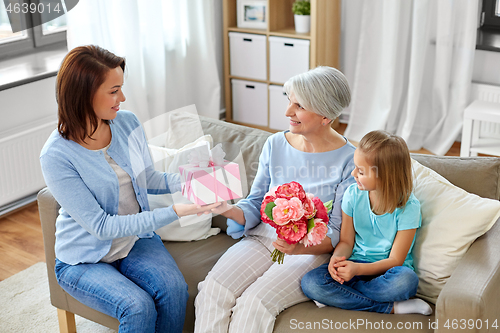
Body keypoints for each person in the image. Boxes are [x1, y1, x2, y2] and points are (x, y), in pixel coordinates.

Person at [40, 45, 220, 333]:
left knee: (175, 290)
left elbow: (148, 179)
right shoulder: (56, 155)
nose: (122, 98)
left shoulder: (127, 123)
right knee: (137, 306)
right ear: (84, 94)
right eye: (114, 91)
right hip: (84, 259)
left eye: (121, 88)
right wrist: (175, 211)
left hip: (135, 240)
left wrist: (191, 181)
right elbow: (100, 226)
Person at [194, 66, 356, 333]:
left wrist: (298, 249)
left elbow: (338, 232)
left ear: (325, 114)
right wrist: (229, 210)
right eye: (288, 100)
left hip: (308, 252)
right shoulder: (275, 144)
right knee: (212, 291)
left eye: (299, 105)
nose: (287, 112)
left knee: (253, 304)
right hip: (262, 239)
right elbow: (257, 201)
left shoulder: (350, 160)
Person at [301, 130, 433, 315]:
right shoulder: (353, 194)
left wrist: (358, 270)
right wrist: (335, 261)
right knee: (311, 282)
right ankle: (391, 307)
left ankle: (342, 298)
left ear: (385, 176)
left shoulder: (409, 207)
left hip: (389, 271)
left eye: (361, 171)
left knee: (406, 281)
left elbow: (396, 260)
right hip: (355, 263)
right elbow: (346, 242)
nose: (354, 173)